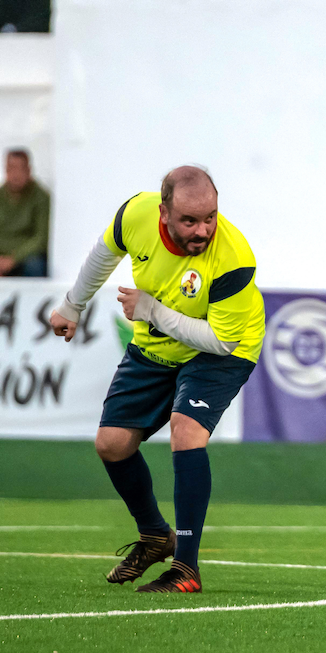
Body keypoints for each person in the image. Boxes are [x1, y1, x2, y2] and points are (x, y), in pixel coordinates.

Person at [48, 166, 264, 593]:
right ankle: (153, 536)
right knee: (111, 444)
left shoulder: (234, 257)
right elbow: (104, 253)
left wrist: (150, 311)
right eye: (190, 221)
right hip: (157, 345)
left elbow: (219, 341)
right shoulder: (136, 213)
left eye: (210, 217)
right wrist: (73, 305)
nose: (203, 230)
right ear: (164, 212)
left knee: (186, 432)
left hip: (223, 348)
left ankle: (186, 568)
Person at [0, 149, 51, 277]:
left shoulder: (41, 197)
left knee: (36, 266)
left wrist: (14, 259)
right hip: (2, 256)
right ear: (6, 170)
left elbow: (41, 238)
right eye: (11, 168)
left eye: (20, 168)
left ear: (28, 170)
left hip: (26, 256)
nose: (16, 174)